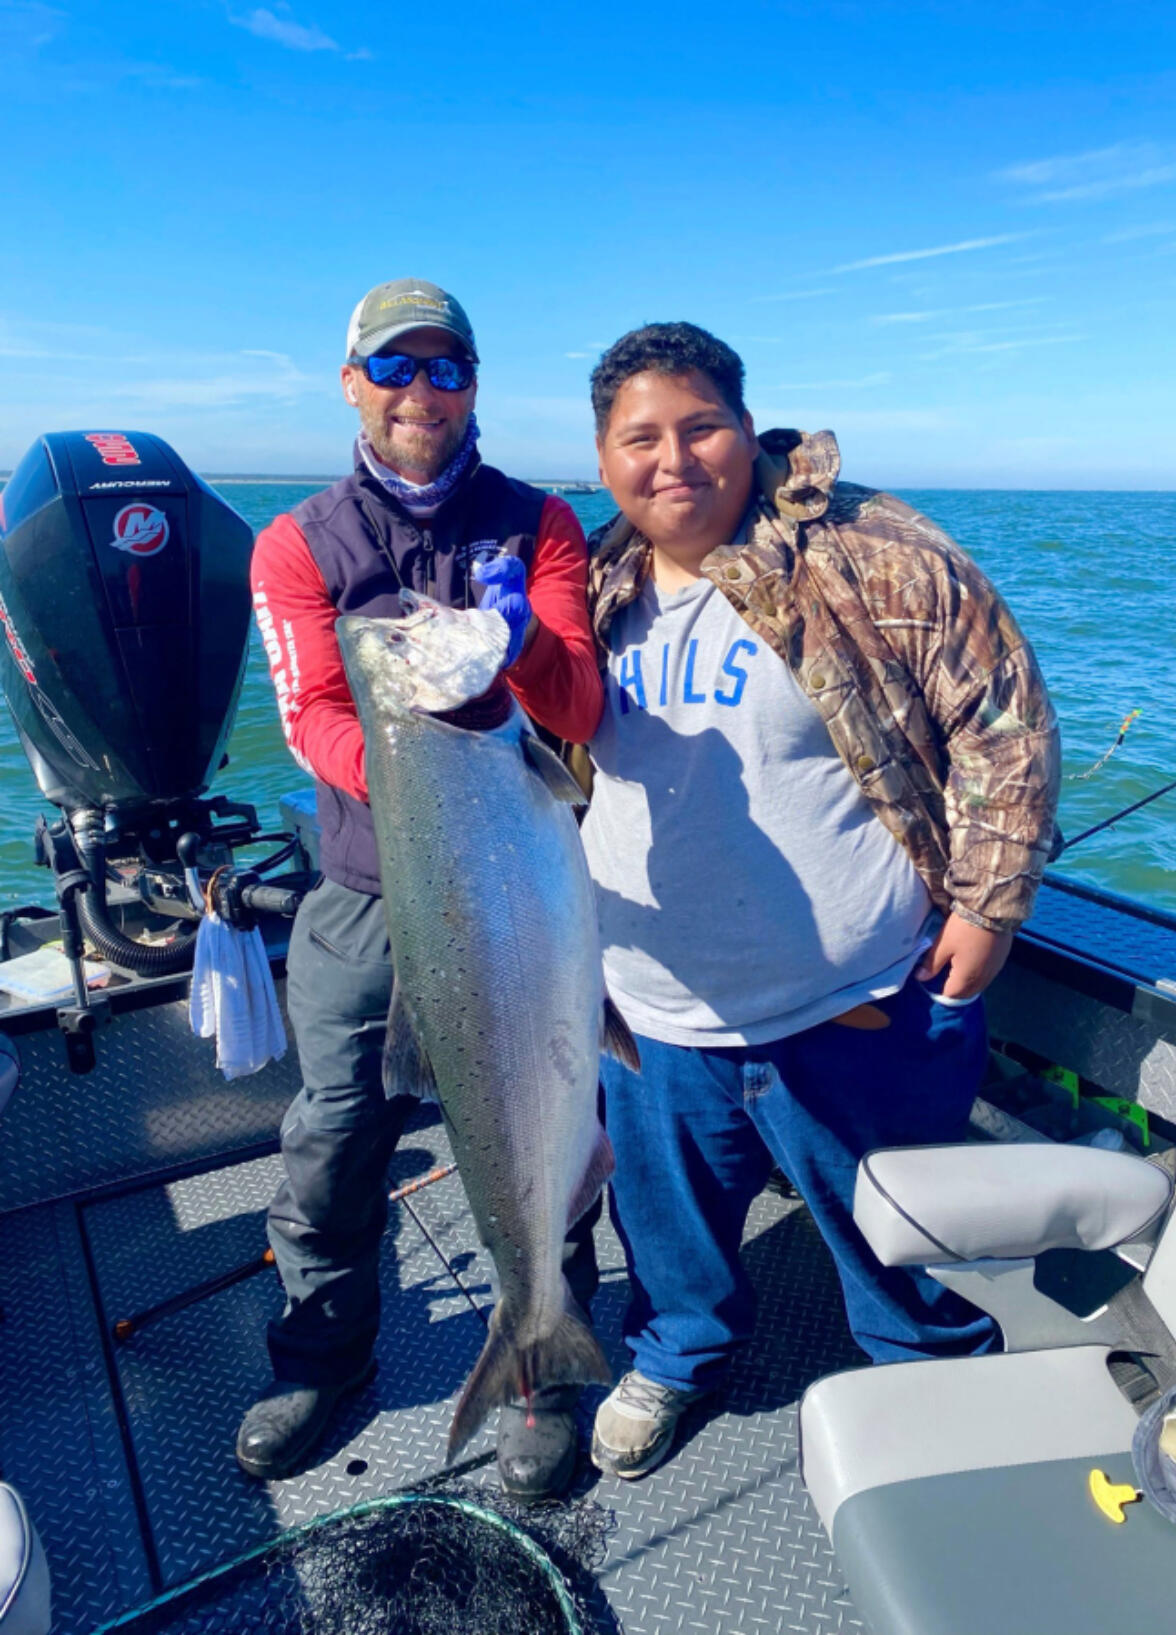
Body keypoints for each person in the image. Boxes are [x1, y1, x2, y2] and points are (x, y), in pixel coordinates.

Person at [579, 322, 1061, 1480]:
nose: (673, 459)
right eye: (639, 437)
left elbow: (1001, 722)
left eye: (699, 426)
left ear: (747, 431)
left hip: (858, 995)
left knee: (896, 1236)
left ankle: (933, 1385)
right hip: (650, 1012)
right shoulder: (588, 582)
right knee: (664, 1231)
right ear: (602, 458)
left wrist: (989, 908)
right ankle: (674, 1356)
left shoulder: (867, 550)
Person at [241, 279, 604, 1500]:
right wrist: (419, 745)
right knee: (338, 1130)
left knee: (542, 1089)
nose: (420, 393)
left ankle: (546, 1358)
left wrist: (527, 655)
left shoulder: (541, 521)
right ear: (350, 382)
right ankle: (325, 1356)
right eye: (394, 368)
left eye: (446, 369)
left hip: (523, 879)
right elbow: (310, 718)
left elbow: (579, 709)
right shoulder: (295, 543)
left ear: (473, 387)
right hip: (363, 884)